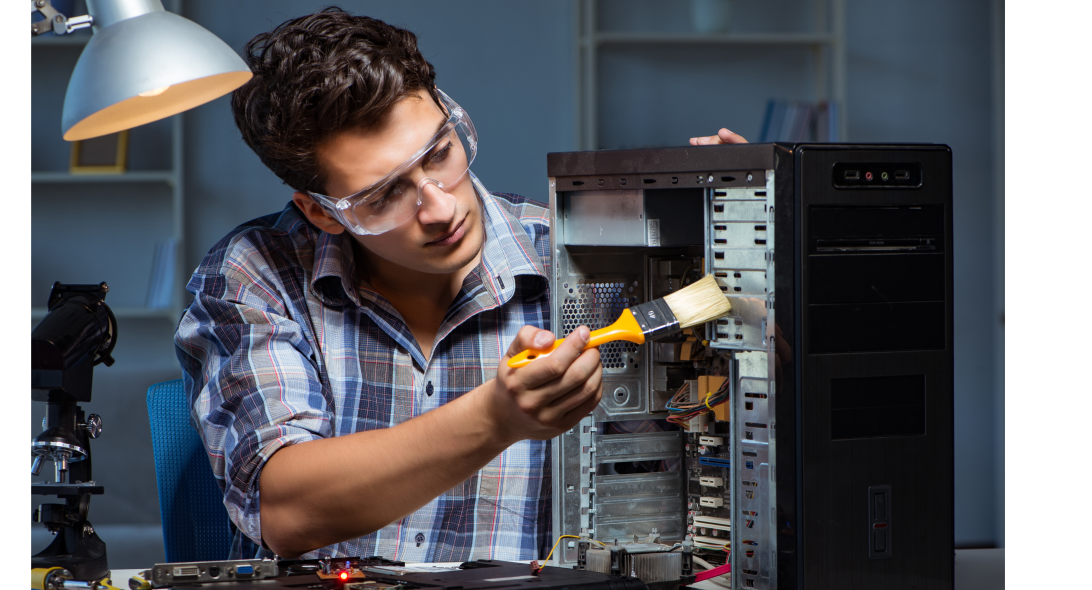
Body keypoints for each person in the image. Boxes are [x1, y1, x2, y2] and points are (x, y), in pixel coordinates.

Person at [176, 7, 747, 561]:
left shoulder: (589, 261)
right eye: (385, 195)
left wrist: (755, 260)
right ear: (322, 213)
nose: (441, 208)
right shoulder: (256, 273)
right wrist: (495, 418)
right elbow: (286, 510)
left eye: (441, 154)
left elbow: (707, 447)